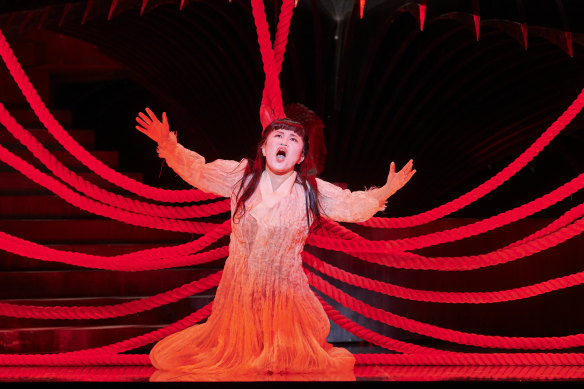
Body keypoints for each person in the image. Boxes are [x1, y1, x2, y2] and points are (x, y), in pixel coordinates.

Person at [135, 108, 415, 380]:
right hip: (240, 293)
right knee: (225, 361)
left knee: (283, 363)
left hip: (284, 296)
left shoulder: (309, 192)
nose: (284, 142)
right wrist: (167, 143)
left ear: (301, 155)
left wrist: (386, 190)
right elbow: (199, 171)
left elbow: (351, 205)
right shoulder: (241, 178)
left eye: (293, 140)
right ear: (265, 148)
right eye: (278, 136)